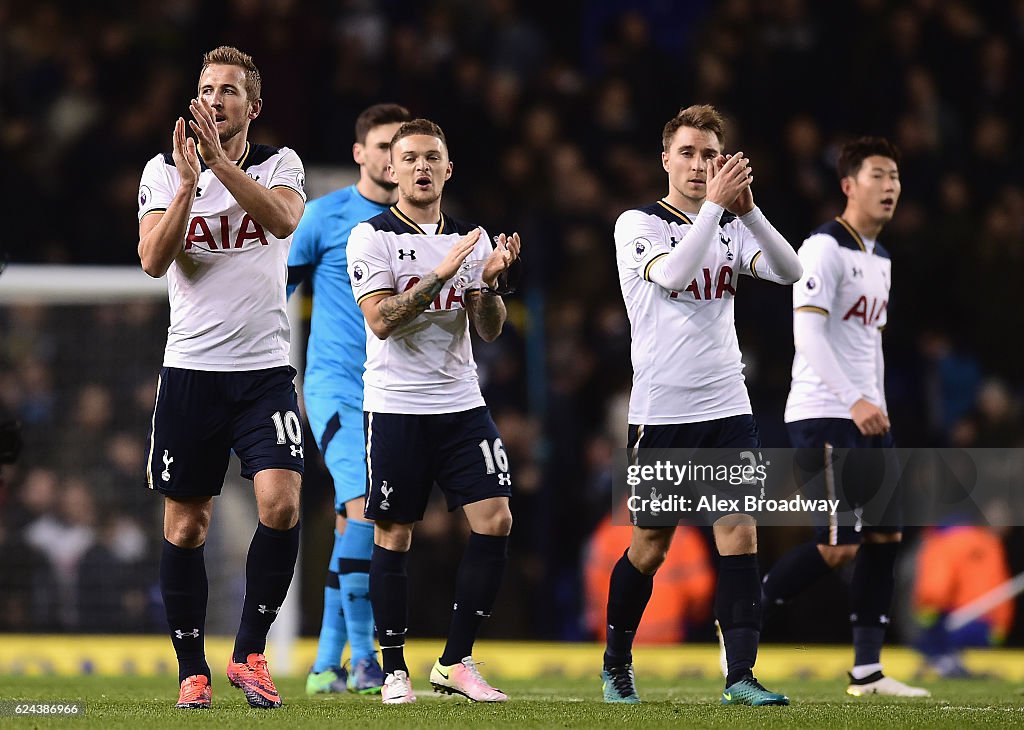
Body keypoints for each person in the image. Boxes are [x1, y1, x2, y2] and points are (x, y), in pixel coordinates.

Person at [605, 104, 802, 706]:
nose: (699, 165)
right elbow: (672, 275)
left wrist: (749, 212)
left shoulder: (730, 224)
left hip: (728, 402)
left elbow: (791, 271)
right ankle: (616, 665)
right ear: (665, 159)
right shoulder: (635, 223)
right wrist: (717, 208)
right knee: (651, 545)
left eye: (710, 155)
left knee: (739, 532)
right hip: (663, 411)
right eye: (688, 153)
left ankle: (740, 676)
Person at [137, 46, 306, 710]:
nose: (216, 97)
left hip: (263, 373)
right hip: (191, 375)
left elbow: (284, 219)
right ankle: (192, 670)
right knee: (186, 528)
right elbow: (154, 259)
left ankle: (250, 654)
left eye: (230, 89)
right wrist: (187, 183)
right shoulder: (160, 169)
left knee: (283, 503)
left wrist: (223, 167)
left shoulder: (278, 164)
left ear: (252, 106)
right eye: (207, 87)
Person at [347, 118, 521, 705]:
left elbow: (489, 330)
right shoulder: (369, 237)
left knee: (495, 519)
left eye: (432, 158)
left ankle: (455, 660)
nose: (422, 168)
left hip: (461, 402)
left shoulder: (472, 239)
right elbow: (381, 320)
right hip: (396, 405)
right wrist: (439, 276)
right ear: (391, 170)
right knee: (394, 532)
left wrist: (490, 284)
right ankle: (393, 666)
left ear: (448, 169)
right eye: (411, 158)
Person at [761, 136, 930, 697]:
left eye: (896, 177)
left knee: (884, 537)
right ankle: (742, 616)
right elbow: (805, 332)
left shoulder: (879, 258)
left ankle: (868, 671)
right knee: (839, 545)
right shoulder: (822, 248)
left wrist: (873, 402)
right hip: (824, 414)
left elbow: (867, 346)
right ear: (848, 184)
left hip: (866, 416)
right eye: (879, 175)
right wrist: (853, 400)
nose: (890, 187)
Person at [287, 102, 412, 696]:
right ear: (361, 152)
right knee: (367, 509)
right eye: (385, 146)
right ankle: (366, 659)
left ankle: (323, 666)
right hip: (334, 386)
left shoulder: (416, 226)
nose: (396, 158)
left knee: (350, 522)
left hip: (394, 394)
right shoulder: (323, 216)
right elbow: (272, 290)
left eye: (405, 148)